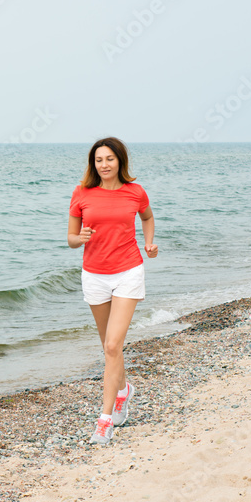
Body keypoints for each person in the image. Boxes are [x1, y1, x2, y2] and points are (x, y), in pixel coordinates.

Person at [66, 137, 158, 445]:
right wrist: (81, 237)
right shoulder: (81, 194)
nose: (104, 165)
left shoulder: (135, 192)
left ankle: (105, 419)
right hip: (94, 276)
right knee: (109, 346)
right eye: (98, 160)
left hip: (128, 272)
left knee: (112, 346)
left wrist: (149, 242)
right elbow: (71, 238)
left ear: (120, 161)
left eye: (109, 159)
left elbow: (147, 217)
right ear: (93, 164)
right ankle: (124, 389)